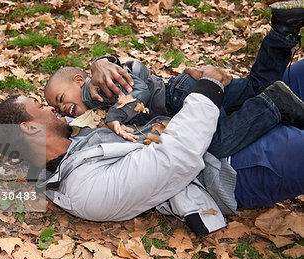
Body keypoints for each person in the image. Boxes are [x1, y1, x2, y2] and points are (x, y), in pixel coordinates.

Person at [0, 66, 304, 236]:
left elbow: (89, 84)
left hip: (222, 118)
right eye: (40, 107)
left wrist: (100, 66)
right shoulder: (84, 189)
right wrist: (209, 88)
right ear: (29, 128)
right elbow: (175, 158)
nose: (53, 109)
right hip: (228, 165)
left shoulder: (75, 135)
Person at [44, 1, 304, 158]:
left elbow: (140, 89)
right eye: (56, 108)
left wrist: (115, 116)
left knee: (215, 145)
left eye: (60, 98)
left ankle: (272, 105)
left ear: (79, 80)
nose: (62, 108)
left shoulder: (98, 88)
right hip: (185, 89)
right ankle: (283, 30)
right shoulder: (92, 99)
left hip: (178, 98)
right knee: (253, 87)